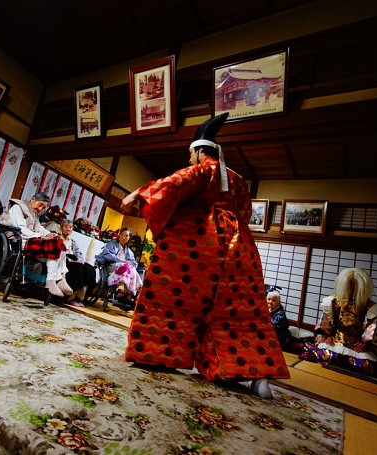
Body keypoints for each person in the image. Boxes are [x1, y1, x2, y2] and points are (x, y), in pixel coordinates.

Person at [120, 113, 289, 398]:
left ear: (200, 151)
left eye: (191, 155)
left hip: (198, 245)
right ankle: (253, 374)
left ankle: (159, 354)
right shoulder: (236, 179)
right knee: (237, 311)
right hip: (239, 249)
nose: (189, 160)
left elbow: (174, 183)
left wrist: (136, 193)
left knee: (174, 298)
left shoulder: (204, 169)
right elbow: (246, 213)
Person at [308, 267, 377, 376]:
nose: (351, 291)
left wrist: (366, 345)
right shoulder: (334, 302)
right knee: (323, 354)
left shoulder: (369, 307)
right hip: (335, 342)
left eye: (354, 288)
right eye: (349, 287)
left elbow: (374, 332)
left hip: (356, 347)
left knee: (366, 365)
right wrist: (326, 338)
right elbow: (324, 324)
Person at [0, 192, 73, 298]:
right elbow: (21, 229)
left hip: (31, 238)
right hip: (18, 239)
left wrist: (48, 234)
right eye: (40, 205)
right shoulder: (18, 207)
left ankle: (60, 278)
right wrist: (40, 237)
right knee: (55, 246)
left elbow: (39, 228)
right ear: (33, 199)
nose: (40, 209)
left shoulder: (34, 213)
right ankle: (51, 280)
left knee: (60, 244)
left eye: (43, 208)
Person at [94, 227, 143, 305]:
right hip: (111, 266)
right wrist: (122, 261)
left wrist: (130, 265)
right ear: (119, 235)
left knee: (132, 270)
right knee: (125, 267)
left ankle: (128, 295)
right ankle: (120, 293)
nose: (123, 237)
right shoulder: (111, 244)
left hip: (124, 269)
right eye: (122, 234)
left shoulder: (129, 251)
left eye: (126, 235)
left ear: (129, 238)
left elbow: (133, 263)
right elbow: (107, 256)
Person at [60, 219, 96, 307]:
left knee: (89, 269)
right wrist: (71, 261)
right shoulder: (58, 239)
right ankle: (70, 297)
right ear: (61, 228)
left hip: (74, 260)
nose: (68, 229)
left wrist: (79, 260)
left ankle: (81, 298)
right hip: (64, 260)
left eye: (71, 227)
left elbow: (79, 254)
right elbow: (60, 253)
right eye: (66, 227)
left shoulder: (72, 242)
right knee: (77, 268)